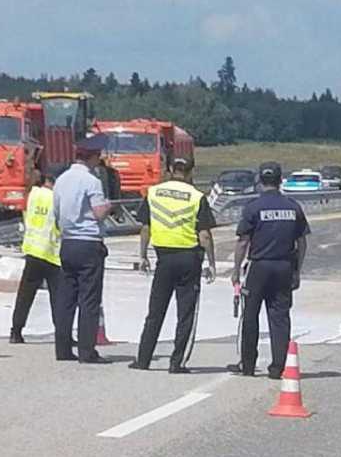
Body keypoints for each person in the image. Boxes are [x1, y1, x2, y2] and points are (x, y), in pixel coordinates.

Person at [129, 158, 218, 373]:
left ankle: (143, 359)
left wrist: (142, 256)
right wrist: (212, 263)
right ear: (190, 172)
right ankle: (176, 363)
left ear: (170, 170)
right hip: (189, 259)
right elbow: (204, 235)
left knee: (155, 311)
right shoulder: (197, 197)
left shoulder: (154, 192)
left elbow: (145, 228)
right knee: (185, 313)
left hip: (164, 259)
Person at [228, 162, 310, 380]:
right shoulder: (293, 207)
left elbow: (243, 242)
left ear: (260, 181)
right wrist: (297, 270)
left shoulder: (253, 208)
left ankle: (247, 364)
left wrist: (236, 271)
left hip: (258, 267)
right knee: (280, 318)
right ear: (280, 180)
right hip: (284, 266)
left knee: (250, 316)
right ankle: (278, 367)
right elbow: (302, 243)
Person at [52, 151, 112, 364]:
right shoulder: (92, 181)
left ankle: (63, 348)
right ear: (92, 158)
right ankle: (87, 350)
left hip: (67, 242)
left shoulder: (61, 180)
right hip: (88, 242)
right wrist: (108, 206)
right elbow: (98, 213)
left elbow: (56, 212)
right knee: (89, 299)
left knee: (66, 299)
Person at [11, 173, 61, 344]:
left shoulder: (34, 194)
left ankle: (16, 331)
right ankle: (62, 333)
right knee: (58, 296)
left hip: (32, 250)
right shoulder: (56, 198)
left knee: (25, 294)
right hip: (51, 252)